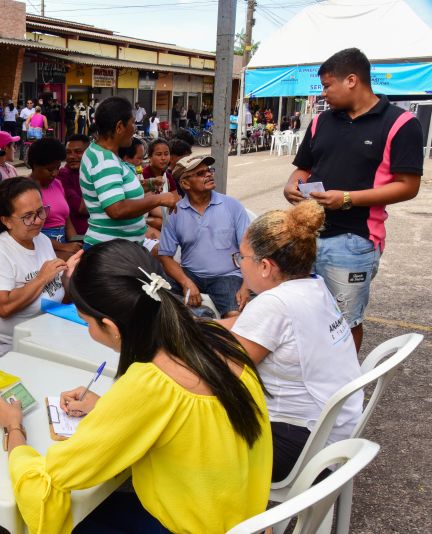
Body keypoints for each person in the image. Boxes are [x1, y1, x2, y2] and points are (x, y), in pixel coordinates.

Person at [0, 239, 272, 533]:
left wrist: (14, 429)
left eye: (87, 323)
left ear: (111, 327)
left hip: (189, 525)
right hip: (245, 519)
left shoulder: (151, 383)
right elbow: (188, 427)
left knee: (68, 515)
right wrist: (107, 407)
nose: (90, 332)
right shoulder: (214, 336)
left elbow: (47, 483)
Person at [284, 47, 423, 351]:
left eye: (326, 85)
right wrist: (292, 185)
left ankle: (343, 388)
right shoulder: (322, 122)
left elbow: (408, 185)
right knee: (304, 315)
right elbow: (303, 168)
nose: (323, 93)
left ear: (351, 80)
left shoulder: (401, 124)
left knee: (344, 322)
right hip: (307, 234)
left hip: (354, 240)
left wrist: (347, 199)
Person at [222, 200, 363, 481]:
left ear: (264, 266)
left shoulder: (274, 303)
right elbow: (246, 328)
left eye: (242, 258)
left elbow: (224, 372)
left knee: (191, 434)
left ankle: (246, 518)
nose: (240, 267)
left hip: (303, 441)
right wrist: (206, 326)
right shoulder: (313, 286)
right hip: (334, 429)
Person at [0, 178, 82, 358]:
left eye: (41, 211)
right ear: (7, 221)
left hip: (38, 335)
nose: (37, 221)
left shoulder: (42, 241)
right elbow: (4, 308)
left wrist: (67, 277)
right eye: (28, 216)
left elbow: (56, 297)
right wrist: (41, 278)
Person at [158, 155, 251, 318]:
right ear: (185, 183)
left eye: (209, 171)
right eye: (201, 173)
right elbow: (165, 256)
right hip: (191, 274)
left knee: (234, 315)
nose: (208, 175)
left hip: (226, 276)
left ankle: (198, 316)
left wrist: (246, 285)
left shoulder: (231, 206)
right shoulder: (176, 212)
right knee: (158, 291)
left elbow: (250, 250)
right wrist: (185, 282)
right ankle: (197, 314)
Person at [79, 97, 178, 249]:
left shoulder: (100, 153)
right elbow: (117, 209)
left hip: (120, 247)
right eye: (132, 122)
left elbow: (117, 189)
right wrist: (159, 199)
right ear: (119, 127)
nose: (134, 128)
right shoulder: (105, 161)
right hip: (111, 251)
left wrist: (149, 183)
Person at [26, 138, 81, 260]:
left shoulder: (57, 184)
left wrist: (75, 241)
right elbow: (28, 232)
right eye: (50, 169)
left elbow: (67, 220)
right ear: (35, 165)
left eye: (57, 168)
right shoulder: (25, 189)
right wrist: (63, 247)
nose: (55, 173)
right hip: (39, 246)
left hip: (62, 243)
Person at [56, 134, 90, 236]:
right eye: (68, 152)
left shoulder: (95, 171)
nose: (71, 156)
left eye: (78, 152)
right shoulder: (62, 176)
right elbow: (82, 209)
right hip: (79, 236)